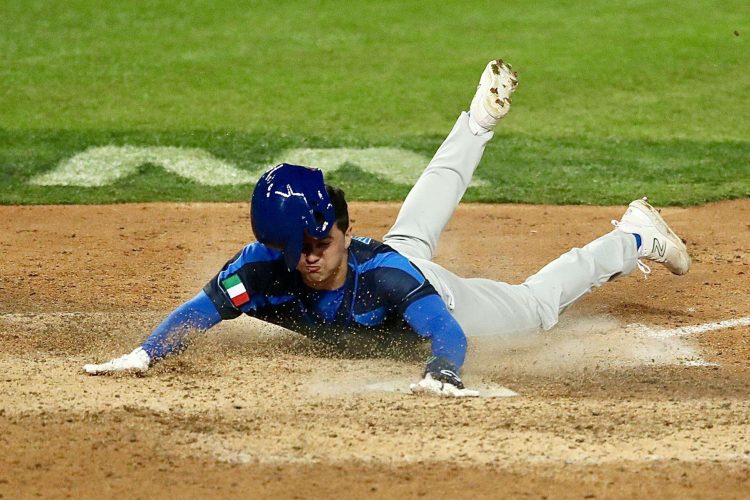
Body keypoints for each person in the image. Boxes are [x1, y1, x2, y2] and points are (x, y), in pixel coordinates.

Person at [84, 59, 690, 397]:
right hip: (389, 258)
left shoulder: (388, 279)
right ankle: (476, 122)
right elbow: (205, 308)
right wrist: (144, 353)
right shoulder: (263, 268)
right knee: (413, 229)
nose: (307, 261)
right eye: (295, 251)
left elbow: (448, 335)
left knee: (532, 309)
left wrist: (443, 372)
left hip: (429, 286)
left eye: (319, 245)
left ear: (344, 231)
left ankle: (631, 236)